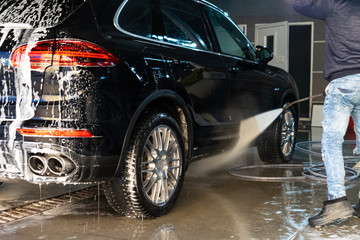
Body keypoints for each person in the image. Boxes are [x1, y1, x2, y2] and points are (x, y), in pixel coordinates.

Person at [293, 0, 360, 227]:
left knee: (331, 144)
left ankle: (338, 202)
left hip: (342, 83)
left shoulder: (334, 4)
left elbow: (298, 4)